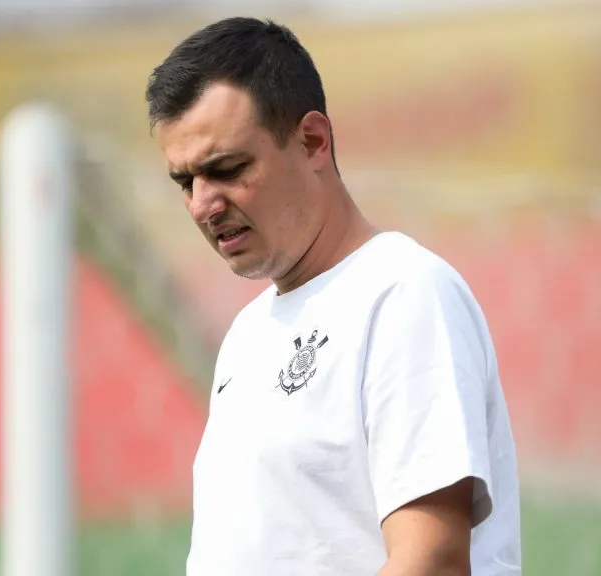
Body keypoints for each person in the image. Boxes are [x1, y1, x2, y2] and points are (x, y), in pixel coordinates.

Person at [145, 16, 521, 576]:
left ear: (313, 141)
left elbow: (432, 561)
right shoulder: (249, 334)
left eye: (226, 169)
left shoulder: (404, 292)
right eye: (185, 182)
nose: (202, 204)